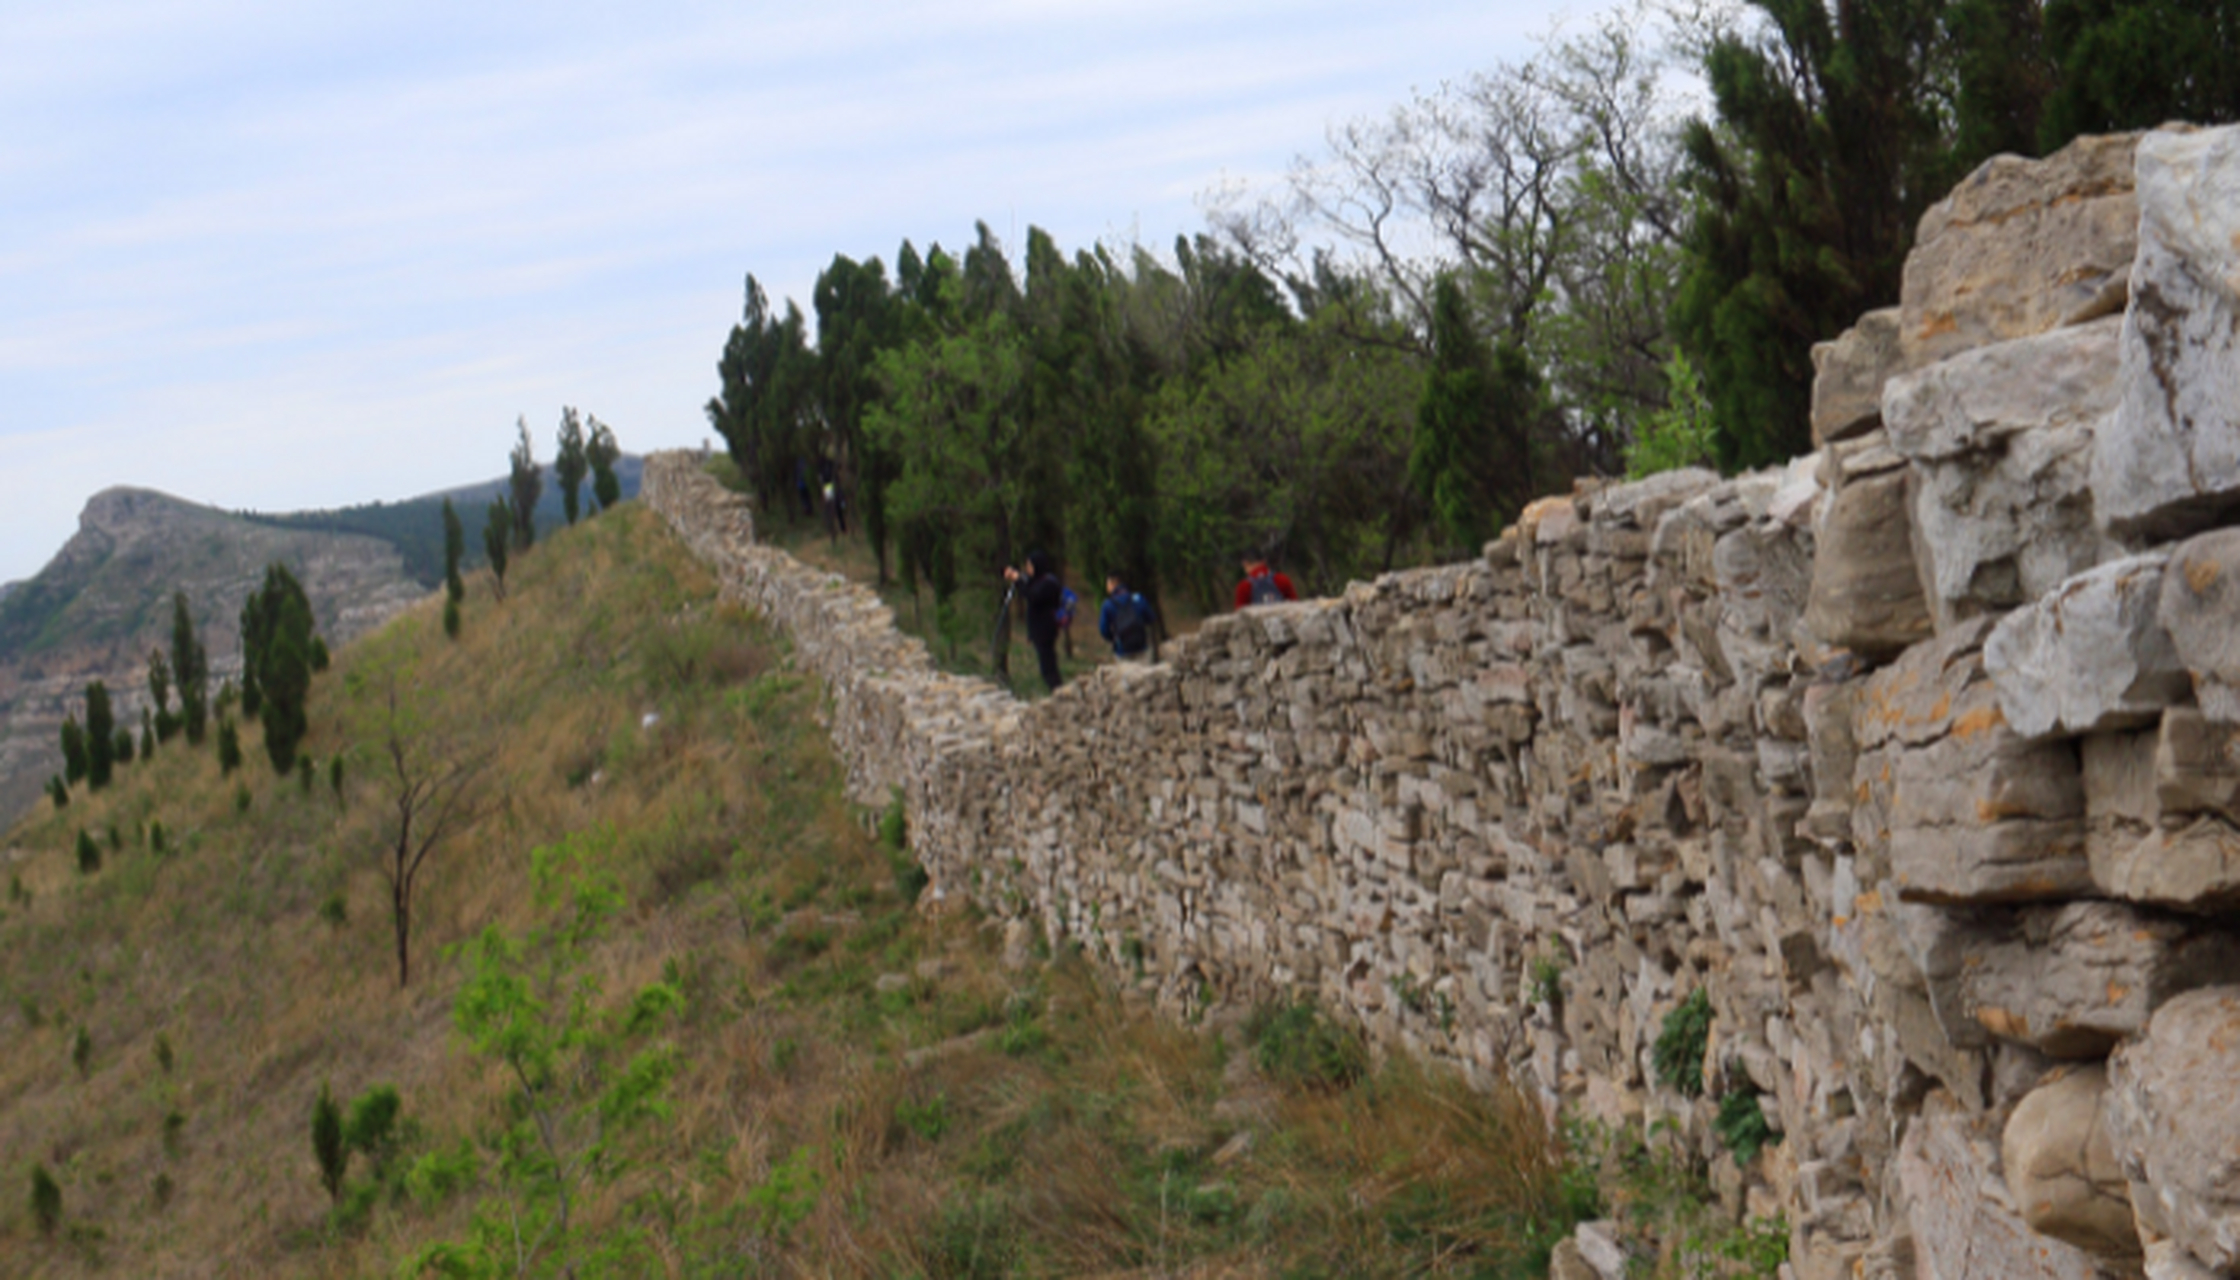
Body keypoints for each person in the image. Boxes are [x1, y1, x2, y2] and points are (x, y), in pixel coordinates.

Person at [1004, 552, 1066, 693]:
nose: (1028, 569)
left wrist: (1018, 581)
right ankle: (1057, 691)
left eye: (1030, 566)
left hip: (1045, 630)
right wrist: (1017, 576)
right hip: (1040, 631)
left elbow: (1032, 595)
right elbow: (1028, 584)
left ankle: (1059, 692)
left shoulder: (1048, 584)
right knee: (1046, 666)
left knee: (1048, 667)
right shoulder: (1039, 581)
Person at [1098, 576, 1157, 662]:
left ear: (1112, 584)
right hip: (1141, 647)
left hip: (1122, 650)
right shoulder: (1138, 598)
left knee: (1126, 674)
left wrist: (1114, 638)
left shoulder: (1107, 605)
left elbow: (1104, 630)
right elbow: (1151, 618)